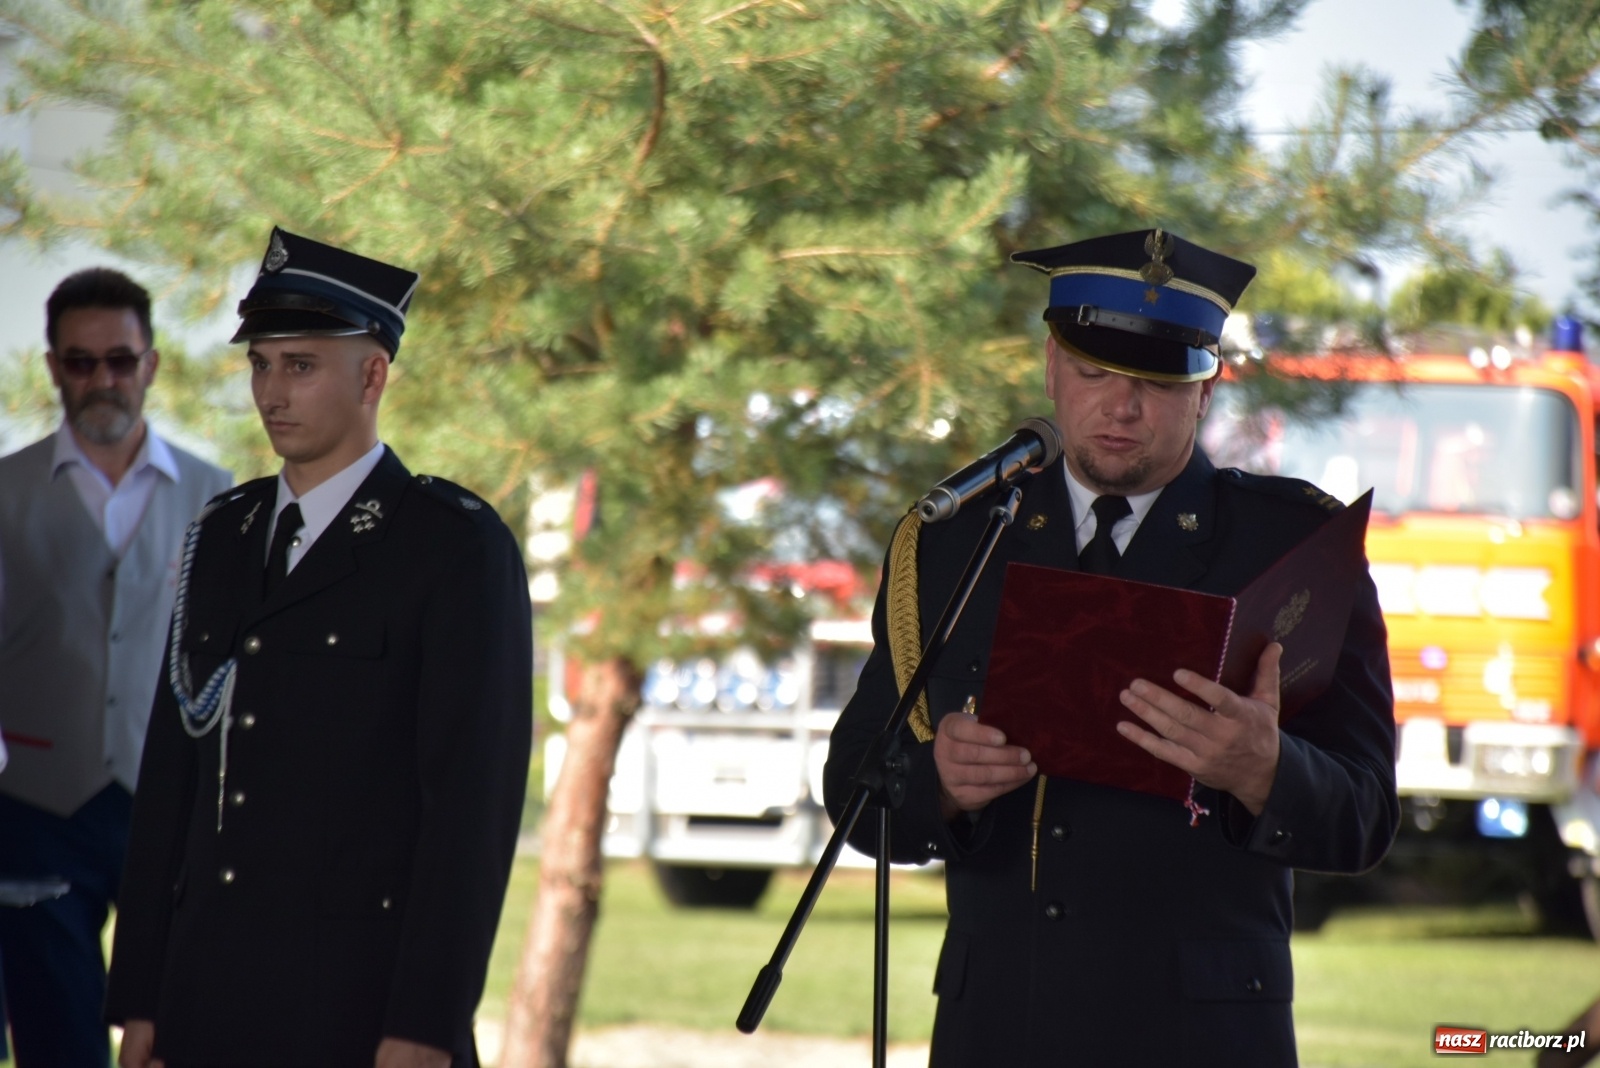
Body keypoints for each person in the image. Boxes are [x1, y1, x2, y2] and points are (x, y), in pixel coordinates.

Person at [823, 229, 1398, 1068]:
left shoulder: (1292, 548)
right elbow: (854, 784)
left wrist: (1265, 769)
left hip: (1199, 1039)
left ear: (1207, 390)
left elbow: (1367, 816)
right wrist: (936, 786)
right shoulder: (958, 543)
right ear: (1053, 365)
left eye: (1157, 382)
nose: (1120, 407)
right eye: (1093, 372)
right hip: (999, 1032)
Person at [105, 228, 533, 1068]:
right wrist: (140, 998)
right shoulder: (223, 535)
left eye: (299, 365)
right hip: (205, 1000)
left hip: (357, 1006)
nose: (271, 391)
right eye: (261, 364)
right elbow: (171, 781)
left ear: (372, 374)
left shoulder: (448, 546)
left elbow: (470, 815)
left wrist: (425, 1024)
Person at [0, 268, 231, 1068]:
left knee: (174, 1034)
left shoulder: (218, 497)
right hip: (33, 808)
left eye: (120, 361)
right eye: (81, 361)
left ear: (152, 365)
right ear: (54, 366)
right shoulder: (4, 493)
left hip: (165, 808)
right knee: (55, 1036)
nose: (103, 380)